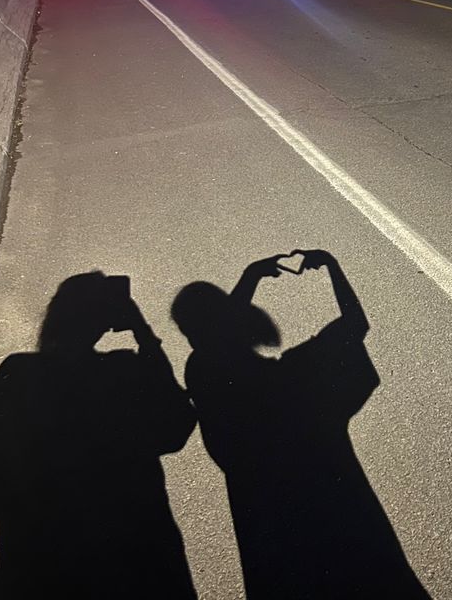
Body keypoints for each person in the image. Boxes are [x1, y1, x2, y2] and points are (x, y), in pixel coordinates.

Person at [173, 250, 429, 599]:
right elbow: (355, 324)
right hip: (344, 517)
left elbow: (215, 344)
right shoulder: (297, 375)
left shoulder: (205, 381)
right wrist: (331, 266)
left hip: (269, 536)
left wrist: (250, 277)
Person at [0, 272, 198, 600]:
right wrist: (143, 332)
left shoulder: (14, 374)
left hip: (37, 569)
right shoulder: (123, 372)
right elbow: (177, 427)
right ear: (106, 320)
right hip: (135, 566)